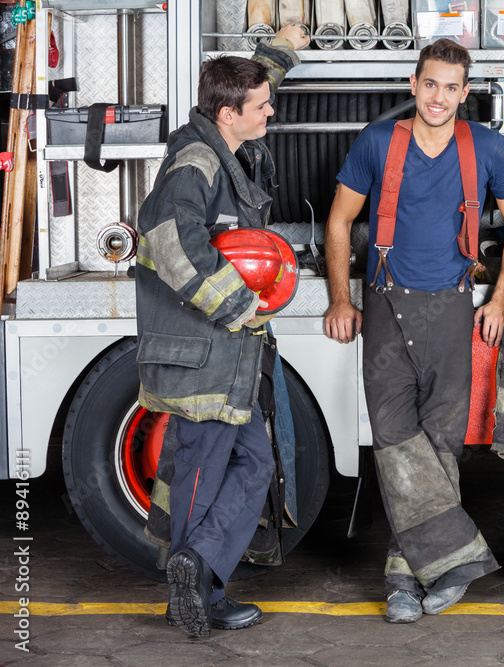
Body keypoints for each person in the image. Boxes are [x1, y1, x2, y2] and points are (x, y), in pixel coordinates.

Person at [322, 38, 504, 624]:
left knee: (440, 447)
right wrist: (342, 298)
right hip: (385, 302)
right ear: (413, 85)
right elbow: (340, 220)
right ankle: (450, 566)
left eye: (452, 88)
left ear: (466, 94)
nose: (439, 97)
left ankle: (403, 578)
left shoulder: (486, 147)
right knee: (394, 440)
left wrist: (501, 300)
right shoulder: (377, 142)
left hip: (452, 306)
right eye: (430, 84)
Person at [135, 25, 310, 638]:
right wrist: (238, 305)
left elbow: (248, 88)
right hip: (205, 351)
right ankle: (196, 591)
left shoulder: (222, 136)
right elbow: (167, 242)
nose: (271, 112)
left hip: (224, 355)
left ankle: (196, 566)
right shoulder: (196, 161)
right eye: (262, 106)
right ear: (228, 113)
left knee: (253, 464)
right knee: (203, 471)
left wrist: (277, 58)